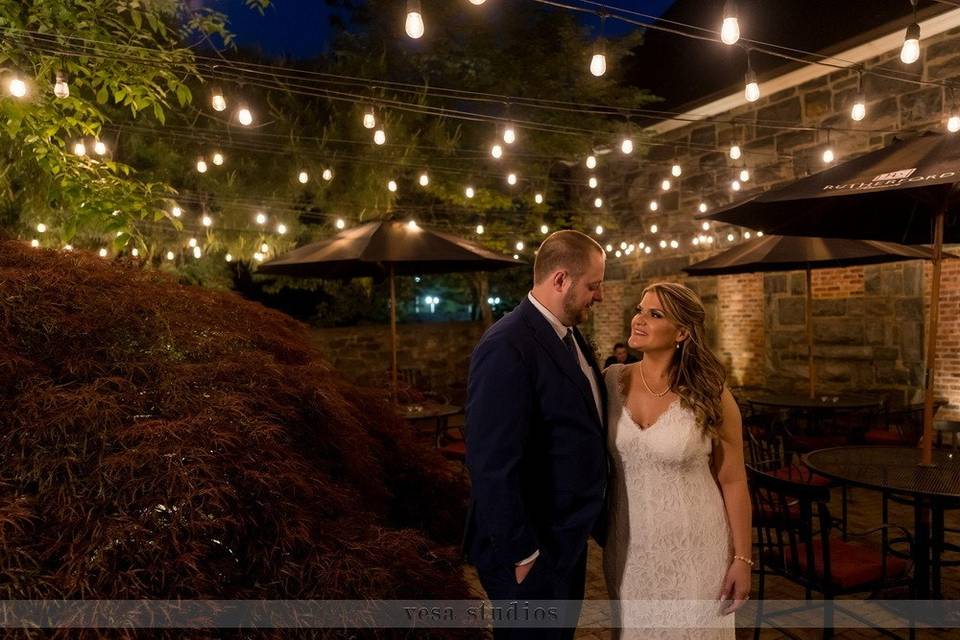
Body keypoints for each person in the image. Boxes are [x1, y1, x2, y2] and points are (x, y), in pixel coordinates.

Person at [463, 230, 608, 639]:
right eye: (593, 285)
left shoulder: (570, 333)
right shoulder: (506, 345)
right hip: (527, 551)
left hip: (565, 541)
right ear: (560, 279)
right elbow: (490, 463)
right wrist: (523, 553)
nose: (600, 296)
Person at [602, 282, 751, 639]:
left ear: (682, 331)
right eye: (640, 310)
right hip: (628, 550)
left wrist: (743, 559)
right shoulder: (610, 382)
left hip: (697, 549)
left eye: (655, 314)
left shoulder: (711, 394)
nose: (639, 319)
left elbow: (733, 480)